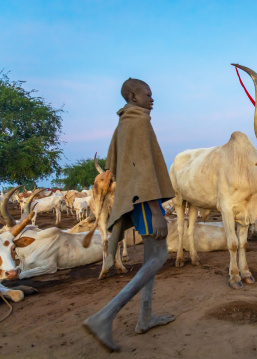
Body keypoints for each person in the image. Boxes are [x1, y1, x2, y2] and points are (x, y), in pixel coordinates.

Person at [83, 78, 175, 351]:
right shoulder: (139, 121)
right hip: (144, 200)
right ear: (133, 96)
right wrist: (155, 211)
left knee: (151, 256)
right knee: (159, 256)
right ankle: (104, 316)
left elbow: (116, 164)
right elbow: (142, 168)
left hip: (135, 199)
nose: (152, 98)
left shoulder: (123, 123)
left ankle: (145, 317)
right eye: (148, 94)